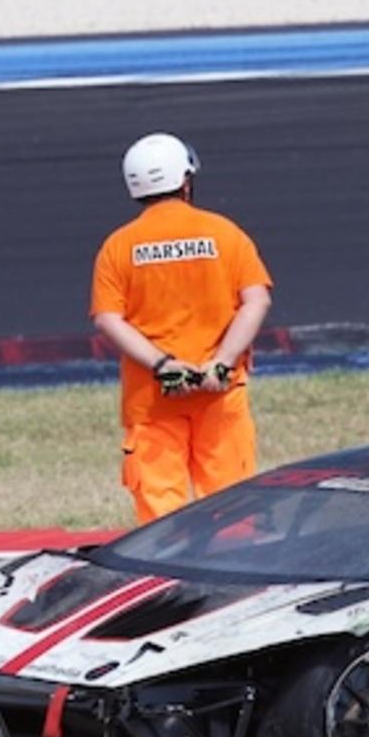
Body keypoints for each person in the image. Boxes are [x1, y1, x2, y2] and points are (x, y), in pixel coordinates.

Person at [90, 133, 274, 523]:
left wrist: (163, 365)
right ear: (185, 180)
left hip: (153, 398)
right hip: (219, 394)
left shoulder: (118, 247)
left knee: (161, 522)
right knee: (233, 513)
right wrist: (222, 362)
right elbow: (256, 300)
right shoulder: (224, 233)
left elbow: (108, 318)